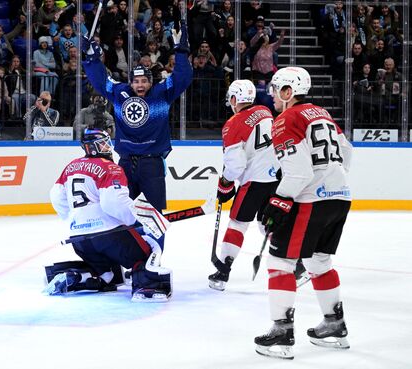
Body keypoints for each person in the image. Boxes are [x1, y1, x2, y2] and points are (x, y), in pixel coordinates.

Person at [254, 67, 353, 359]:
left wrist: (279, 201)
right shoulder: (323, 114)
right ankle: (334, 324)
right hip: (340, 196)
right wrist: (330, 181)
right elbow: (347, 153)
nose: (271, 94)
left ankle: (281, 334)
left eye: (275, 89)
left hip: (311, 200)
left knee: (280, 262)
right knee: (320, 260)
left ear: (288, 93)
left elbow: (298, 173)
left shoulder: (287, 119)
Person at [80, 20, 193, 250]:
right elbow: (100, 80)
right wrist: (91, 57)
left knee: (155, 217)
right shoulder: (120, 93)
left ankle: (155, 257)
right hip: (125, 164)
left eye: (144, 81)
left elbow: (183, 77)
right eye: (136, 80)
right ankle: (130, 257)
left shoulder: (163, 92)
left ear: (151, 82)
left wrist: (181, 49)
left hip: (152, 163)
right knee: (121, 213)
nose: (140, 85)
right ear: (130, 82)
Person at [46, 128, 172, 301]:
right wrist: (139, 219)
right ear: (92, 147)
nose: (108, 147)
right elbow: (114, 202)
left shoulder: (71, 166)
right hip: (108, 236)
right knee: (148, 251)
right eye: (104, 144)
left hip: (79, 240)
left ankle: (81, 278)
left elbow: (56, 196)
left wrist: (74, 219)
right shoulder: (110, 167)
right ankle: (146, 285)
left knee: (109, 276)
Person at [207, 79, 279, 291]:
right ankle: (293, 263)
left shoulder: (233, 123)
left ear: (234, 98)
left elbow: (236, 166)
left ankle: (223, 271)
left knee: (238, 223)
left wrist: (225, 183)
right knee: (268, 223)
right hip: (277, 178)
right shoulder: (265, 111)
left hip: (253, 182)